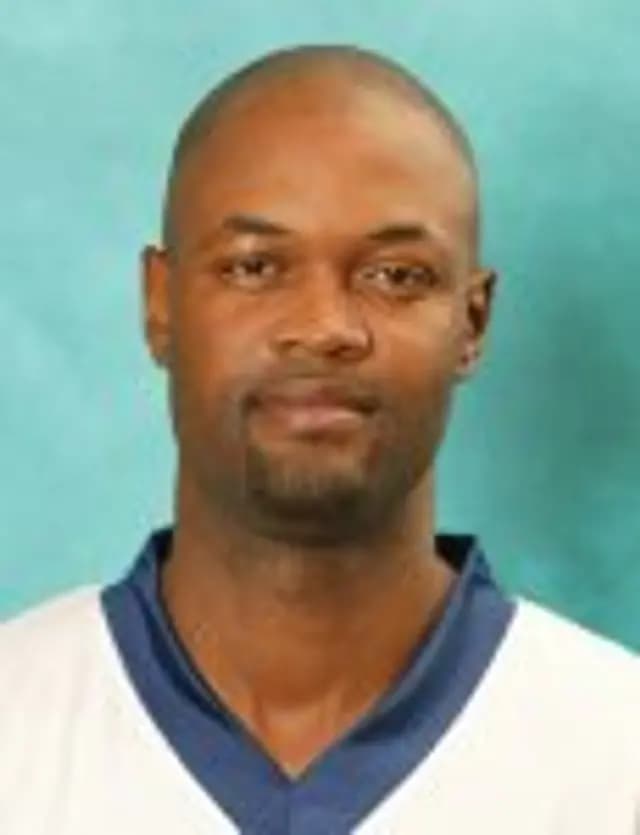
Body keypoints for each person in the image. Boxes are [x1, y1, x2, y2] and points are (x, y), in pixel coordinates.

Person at [1, 44, 638, 835]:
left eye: (395, 275)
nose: (322, 326)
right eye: (255, 267)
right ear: (160, 305)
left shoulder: (619, 754)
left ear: (472, 323)